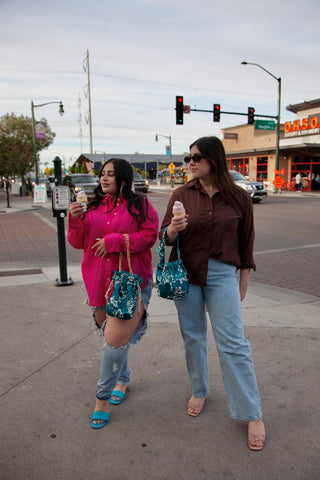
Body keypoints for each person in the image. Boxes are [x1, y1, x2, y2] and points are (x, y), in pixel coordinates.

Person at [159, 136, 266, 451]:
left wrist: (242, 281)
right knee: (193, 336)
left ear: (213, 159)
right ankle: (200, 389)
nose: (190, 163)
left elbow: (246, 243)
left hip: (222, 275)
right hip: (186, 273)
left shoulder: (238, 198)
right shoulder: (181, 193)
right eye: (188, 158)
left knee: (233, 343)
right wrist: (173, 230)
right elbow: (164, 237)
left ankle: (252, 413)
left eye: (196, 157)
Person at [68, 158, 159, 429]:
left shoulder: (140, 205)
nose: (103, 179)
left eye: (110, 174)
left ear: (123, 177)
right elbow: (77, 242)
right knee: (115, 340)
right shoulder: (91, 206)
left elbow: (150, 235)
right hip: (97, 281)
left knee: (114, 340)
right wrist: (74, 219)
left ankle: (102, 399)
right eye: (102, 174)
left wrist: (115, 241)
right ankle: (124, 378)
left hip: (130, 282)